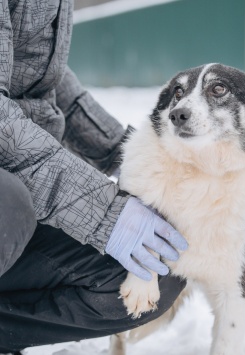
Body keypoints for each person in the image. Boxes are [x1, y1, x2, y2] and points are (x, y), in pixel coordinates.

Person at [0, 1, 188, 354]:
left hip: (28, 188)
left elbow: (49, 86)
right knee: (8, 204)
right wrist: (106, 214)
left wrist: (130, 156)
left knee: (157, 272)